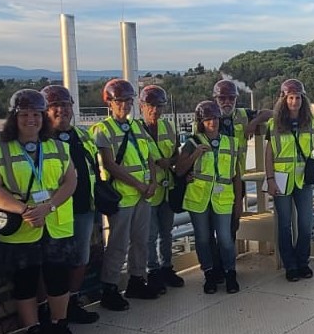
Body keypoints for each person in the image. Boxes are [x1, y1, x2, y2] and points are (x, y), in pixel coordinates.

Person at [0, 90, 79, 334]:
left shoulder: (59, 147)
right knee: (25, 283)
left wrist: (48, 207)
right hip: (22, 227)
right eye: (24, 114)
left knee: (58, 279)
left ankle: (60, 324)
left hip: (54, 222)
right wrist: (24, 210)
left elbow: (70, 181)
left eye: (36, 114)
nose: (31, 120)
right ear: (14, 118)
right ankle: (34, 332)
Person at [91, 79, 162, 310]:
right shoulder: (103, 129)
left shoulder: (137, 127)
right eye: (119, 101)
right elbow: (110, 165)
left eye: (127, 101)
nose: (124, 105)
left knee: (141, 241)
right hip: (122, 196)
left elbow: (149, 157)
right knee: (118, 244)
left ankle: (136, 280)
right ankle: (110, 288)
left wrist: (152, 181)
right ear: (109, 103)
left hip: (143, 195)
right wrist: (140, 186)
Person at [40, 85, 101, 324]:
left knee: (80, 258)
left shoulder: (83, 135)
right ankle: (47, 311)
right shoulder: (40, 140)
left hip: (84, 208)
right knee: (51, 264)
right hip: (52, 211)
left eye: (65, 105)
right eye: (54, 106)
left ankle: (72, 303)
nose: (61, 110)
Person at [206, 79, 272, 284]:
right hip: (208, 183)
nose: (227, 102)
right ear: (215, 99)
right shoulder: (206, 116)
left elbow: (270, 113)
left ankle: (228, 267)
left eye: (231, 98)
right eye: (222, 98)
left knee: (231, 225)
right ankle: (214, 268)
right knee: (209, 228)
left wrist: (253, 123)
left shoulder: (242, 115)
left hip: (235, 179)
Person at [175, 101, 241, 293]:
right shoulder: (192, 142)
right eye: (208, 119)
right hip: (199, 199)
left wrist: (238, 202)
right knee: (203, 239)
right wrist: (195, 155)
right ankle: (210, 274)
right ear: (201, 122)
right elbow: (179, 170)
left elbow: (236, 175)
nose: (213, 122)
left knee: (225, 238)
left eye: (215, 118)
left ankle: (230, 273)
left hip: (223, 199)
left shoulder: (230, 142)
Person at [264, 79, 314, 281]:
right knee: (284, 225)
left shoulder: (310, 122)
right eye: (291, 98)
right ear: (284, 99)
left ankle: (303, 262)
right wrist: (270, 178)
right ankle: (290, 266)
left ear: (303, 99)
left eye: (298, 98)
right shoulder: (274, 124)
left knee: (306, 223)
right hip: (281, 179)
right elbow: (269, 153)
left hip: (303, 179)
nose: (294, 101)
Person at [139, 85, 185, 293]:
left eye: (159, 106)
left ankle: (167, 267)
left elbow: (177, 154)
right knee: (150, 234)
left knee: (166, 232)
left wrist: (170, 161)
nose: (155, 110)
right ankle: (152, 271)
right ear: (142, 106)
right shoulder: (136, 129)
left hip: (167, 188)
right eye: (150, 106)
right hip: (148, 191)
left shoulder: (168, 127)